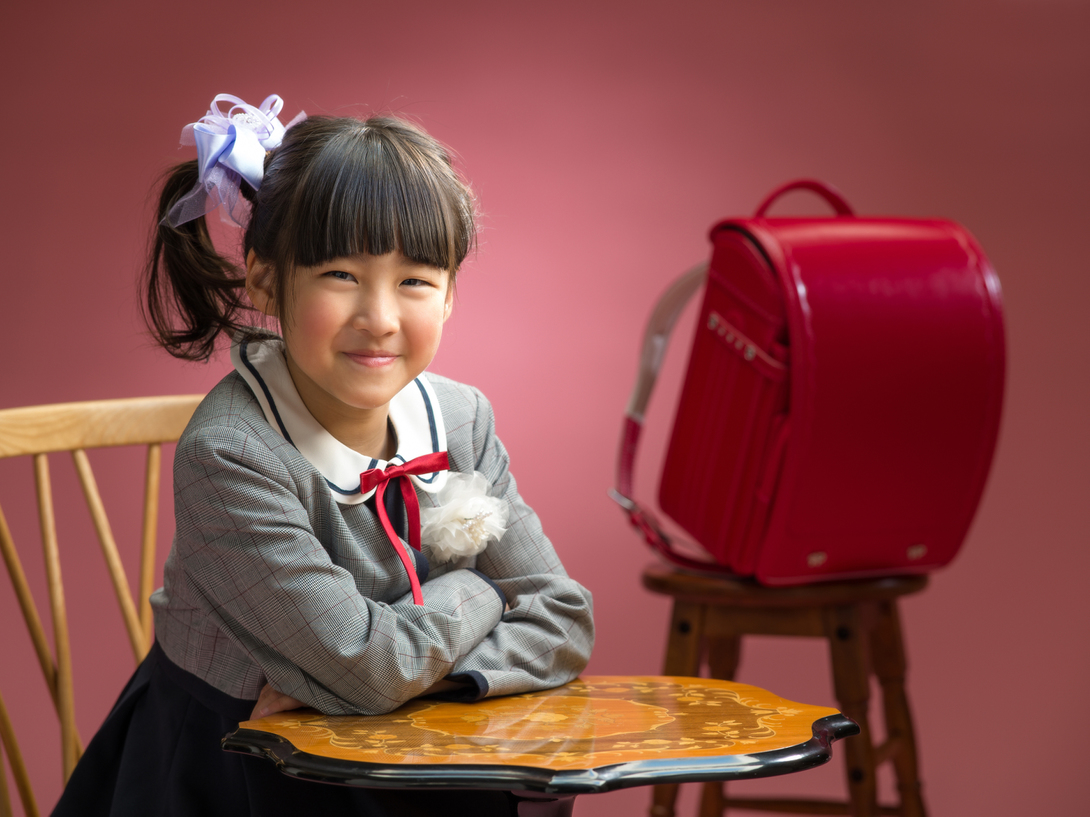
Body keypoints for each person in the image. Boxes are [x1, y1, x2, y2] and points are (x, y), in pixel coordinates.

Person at [52, 93, 594, 817]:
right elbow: (368, 666)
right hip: (241, 770)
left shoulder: (460, 417)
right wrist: (485, 595)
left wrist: (420, 679)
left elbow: (562, 617)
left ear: (450, 296)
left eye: (415, 281)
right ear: (266, 278)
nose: (380, 318)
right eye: (341, 275)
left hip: (416, 754)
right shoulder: (231, 453)